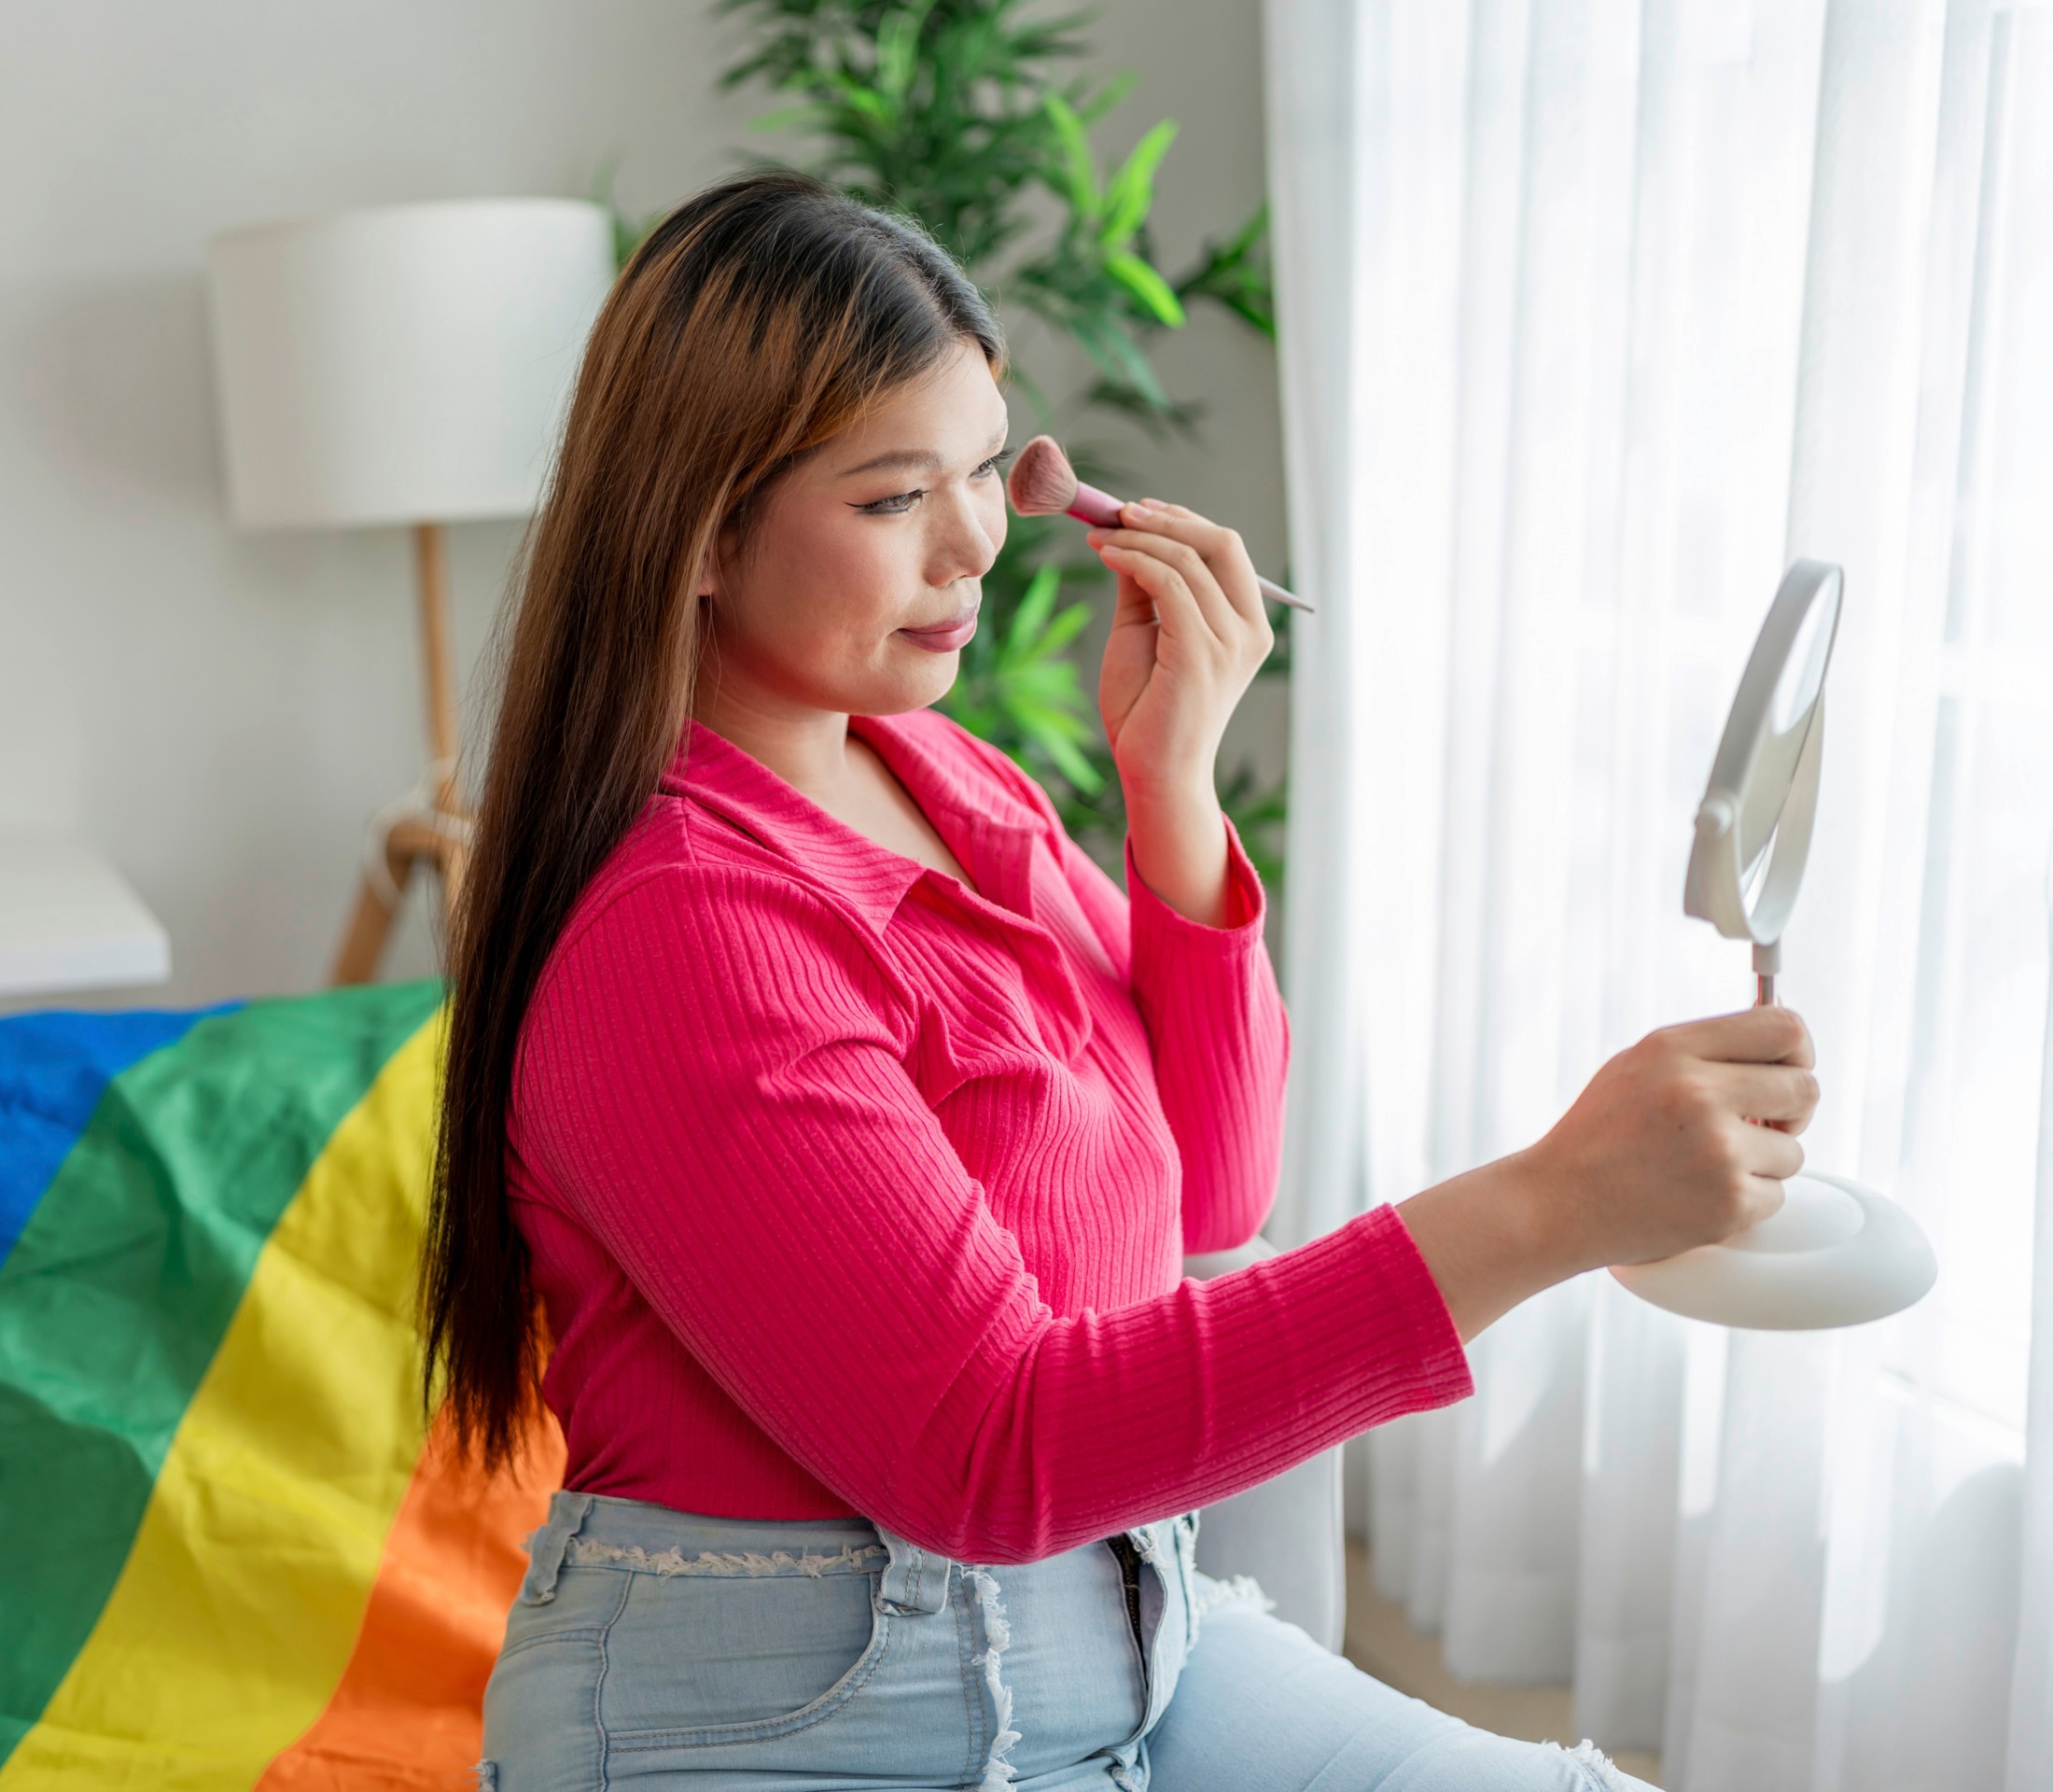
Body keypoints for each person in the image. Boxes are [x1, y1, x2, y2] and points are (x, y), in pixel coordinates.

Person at [424, 171, 1815, 1792]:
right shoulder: (680, 933)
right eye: (887, 502)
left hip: (1123, 1643)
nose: (971, 549)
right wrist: (1551, 1208)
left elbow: (1210, 1196)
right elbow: (993, 1445)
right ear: (701, 534)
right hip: (785, 1723)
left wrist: (1176, 792)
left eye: (978, 474)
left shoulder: (957, 785)